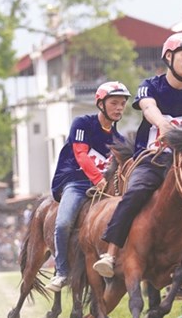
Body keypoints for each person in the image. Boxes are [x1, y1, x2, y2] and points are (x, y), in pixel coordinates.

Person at [92, 32, 182, 304]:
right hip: (153, 158)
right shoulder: (151, 85)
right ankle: (111, 253)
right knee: (135, 194)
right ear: (169, 57)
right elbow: (148, 108)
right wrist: (162, 123)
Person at [45, 82, 130, 292]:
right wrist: (97, 179)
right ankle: (62, 271)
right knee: (63, 223)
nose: (119, 108)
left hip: (106, 189)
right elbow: (81, 154)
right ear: (100, 104)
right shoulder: (82, 123)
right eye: (114, 103)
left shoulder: (119, 139)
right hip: (76, 182)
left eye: (122, 104)